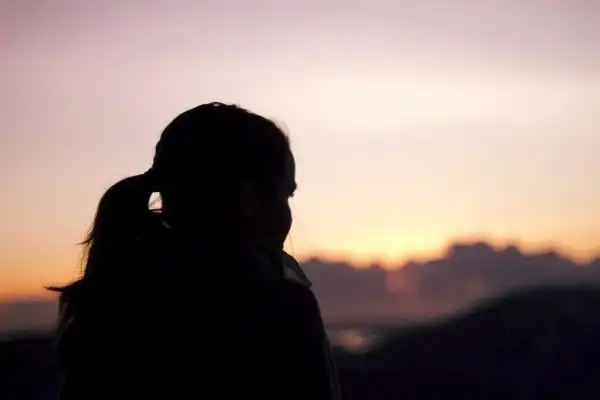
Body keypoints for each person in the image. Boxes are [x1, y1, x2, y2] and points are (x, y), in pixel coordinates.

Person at [50, 103, 342, 400]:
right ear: (249, 199)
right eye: (286, 195)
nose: (288, 215)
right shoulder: (281, 308)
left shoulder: (112, 301)